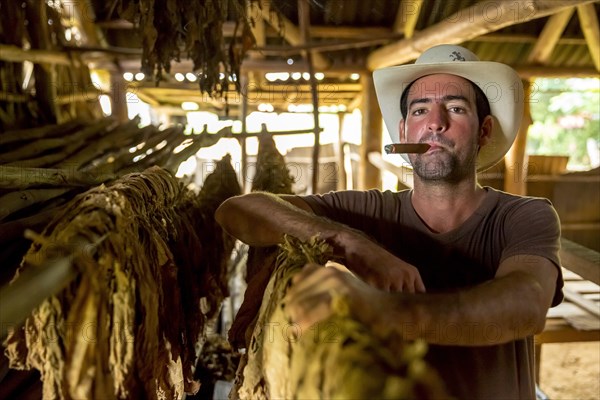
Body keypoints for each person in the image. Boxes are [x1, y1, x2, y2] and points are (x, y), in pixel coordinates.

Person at [215, 44, 563, 399]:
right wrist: (351, 243)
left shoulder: (524, 215)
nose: (435, 123)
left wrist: (379, 309)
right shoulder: (365, 213)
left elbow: (527, 303)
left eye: (455, 108)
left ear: (484, 131)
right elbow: (239, 211)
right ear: (404, 131)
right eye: (420, 110)